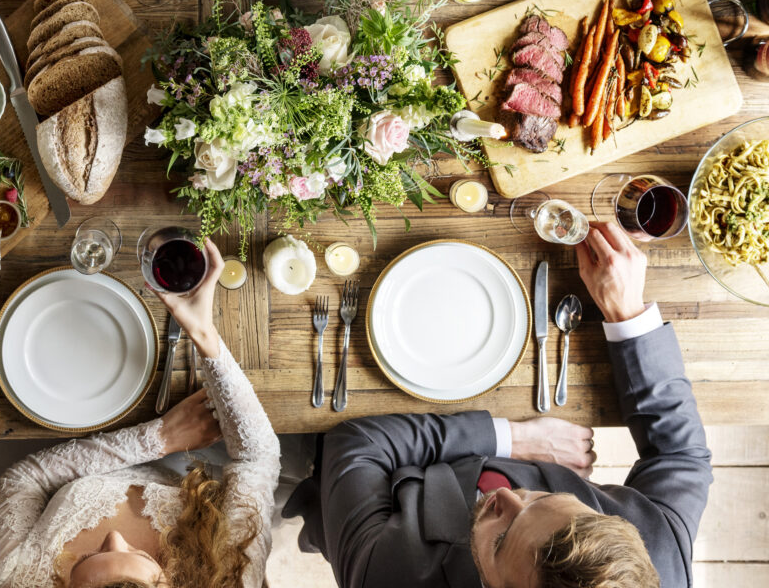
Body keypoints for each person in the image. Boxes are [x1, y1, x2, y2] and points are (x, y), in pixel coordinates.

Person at [282, 221, 713, 588]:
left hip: (358, 485)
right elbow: (680, 456)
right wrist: (628, 315)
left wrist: (509, 438)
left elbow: (354, 444)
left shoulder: (386, 575)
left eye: (501, 540)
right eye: (549, 499)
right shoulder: (659, 555)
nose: (505, 494)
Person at [0, 241, 280, 588]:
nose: (114, 537)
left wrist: (158, 437)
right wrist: (203, 332)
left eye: (87, 557)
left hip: (69, 438)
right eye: (142, 556)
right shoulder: (230, 579)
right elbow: (258, 458)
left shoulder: (13, 583)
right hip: (192, 457)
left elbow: (22, 481)